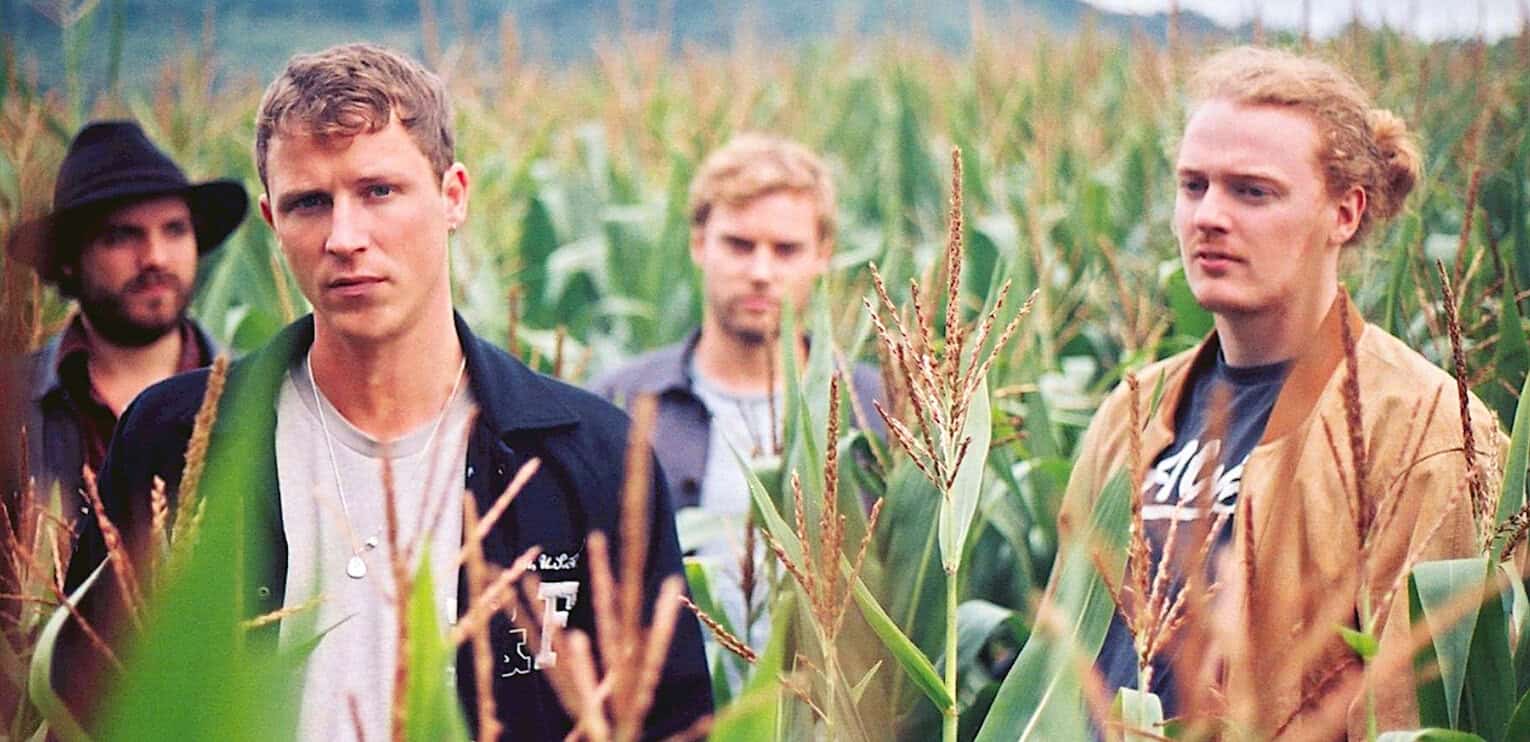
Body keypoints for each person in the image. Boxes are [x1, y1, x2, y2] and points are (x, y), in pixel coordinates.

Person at [63, 43, 710, 740]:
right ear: (274, 222)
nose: (345, 237)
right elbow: (91, 697)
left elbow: (672, 723)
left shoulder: (588, 454)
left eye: (379, 191)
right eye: (310, 203)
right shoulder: (178, 437)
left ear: (453, 195)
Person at [1059, 46, 1507, 738]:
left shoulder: (1424, 434)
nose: (1209, 216)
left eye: (1252, 191)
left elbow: (1414, 711)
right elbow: (1063, 660)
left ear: (1345, 213)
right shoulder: (1132, 411)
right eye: (1193, 185)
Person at [589, 134, 884, 646]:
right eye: (740, 245)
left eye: (787, 250)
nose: (761, 273)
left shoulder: (876, 411)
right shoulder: (619, 403)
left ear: (823, 256)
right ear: (699, 243)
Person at [9, 120, 246, 532]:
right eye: (121, 236)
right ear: (69, 257)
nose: (155, 257)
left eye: (174, 229)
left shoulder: (259, 395)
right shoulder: (11, 405)